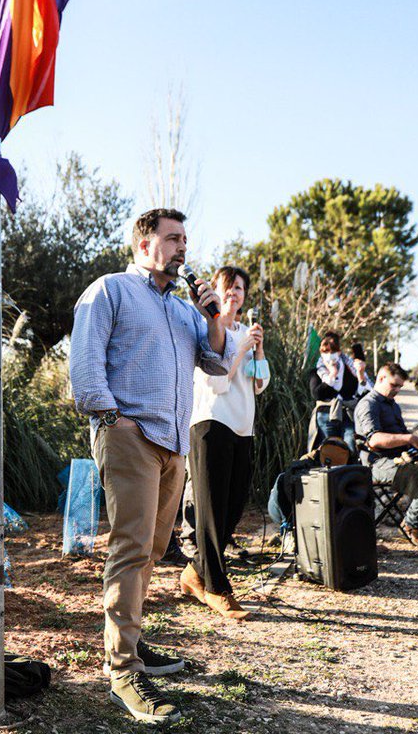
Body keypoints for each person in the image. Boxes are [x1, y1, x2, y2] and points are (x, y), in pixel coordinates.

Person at [70, 208, 230, 725]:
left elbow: (217, 362)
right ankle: (122, 670)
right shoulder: (111, 290)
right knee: (132, 546)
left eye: (186, 238)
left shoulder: (185, 310)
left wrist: (212, 317)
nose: (183, 247)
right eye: (172, 238)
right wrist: (112, 419)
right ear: (144, 245)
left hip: (172, 441)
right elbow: (86, 361)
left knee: (153, 550)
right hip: (130, 435)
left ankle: (133, 645)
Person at [178, 265, 266, 619]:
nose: (234, 294)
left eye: (240, 289)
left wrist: (257, 351)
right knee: (212, 511)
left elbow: (260, 384)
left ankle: (194, 573)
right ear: (216, 291)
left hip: (243, 426)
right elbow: (216, 382)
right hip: (211, 423)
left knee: (232, 508)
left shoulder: (247, 333)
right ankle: (217, 588)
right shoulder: (208, 330)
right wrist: (242, 349)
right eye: (228, 288)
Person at [355, 362, 418, 546]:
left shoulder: (392, 405)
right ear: (381, 378)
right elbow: (374, 440)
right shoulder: (368, 404)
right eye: (394, 385)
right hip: (377, 463)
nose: (398, 389)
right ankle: (411, 524)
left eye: (400, 386)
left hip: (402, 458)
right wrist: (409, 438)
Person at [308, 333, 358, 449]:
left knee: (350, 445)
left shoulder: (349, 369)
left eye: (332, 352)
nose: (329, 356)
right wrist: (332, 375)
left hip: (347, 413)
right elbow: (316, 394)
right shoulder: (317, 372)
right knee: (328, 448)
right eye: (325, 352)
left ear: (339, 352)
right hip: (326, 414)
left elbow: (354, 390)